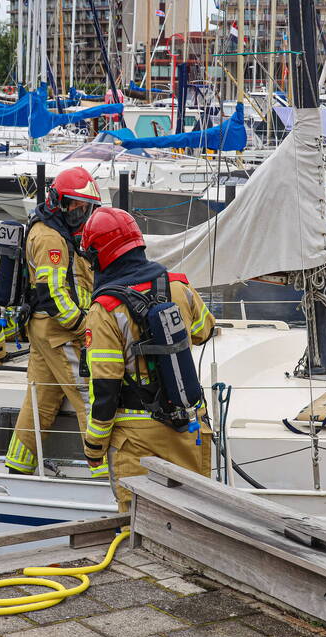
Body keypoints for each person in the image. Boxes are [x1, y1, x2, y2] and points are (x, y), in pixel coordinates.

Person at [79, 208, 216, 512]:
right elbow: (204, 331)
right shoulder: (179, 286)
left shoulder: (105, 309)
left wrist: (94, 446)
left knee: (139, 528)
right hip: (190, 428)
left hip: (138, 440)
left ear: (99, 257)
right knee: (195, 519)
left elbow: (104, 389)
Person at [4, 167, 101, 476]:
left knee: (39, 403)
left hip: (43, 330)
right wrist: (84, 325)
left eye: (86, 207)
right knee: (90, 397)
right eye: (76, 205)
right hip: (61, 333)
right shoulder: (51, 239)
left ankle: (17, 468)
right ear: (59, 202)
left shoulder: (51, 229)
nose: (81, 212)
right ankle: (105, 476)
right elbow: (53, 293)